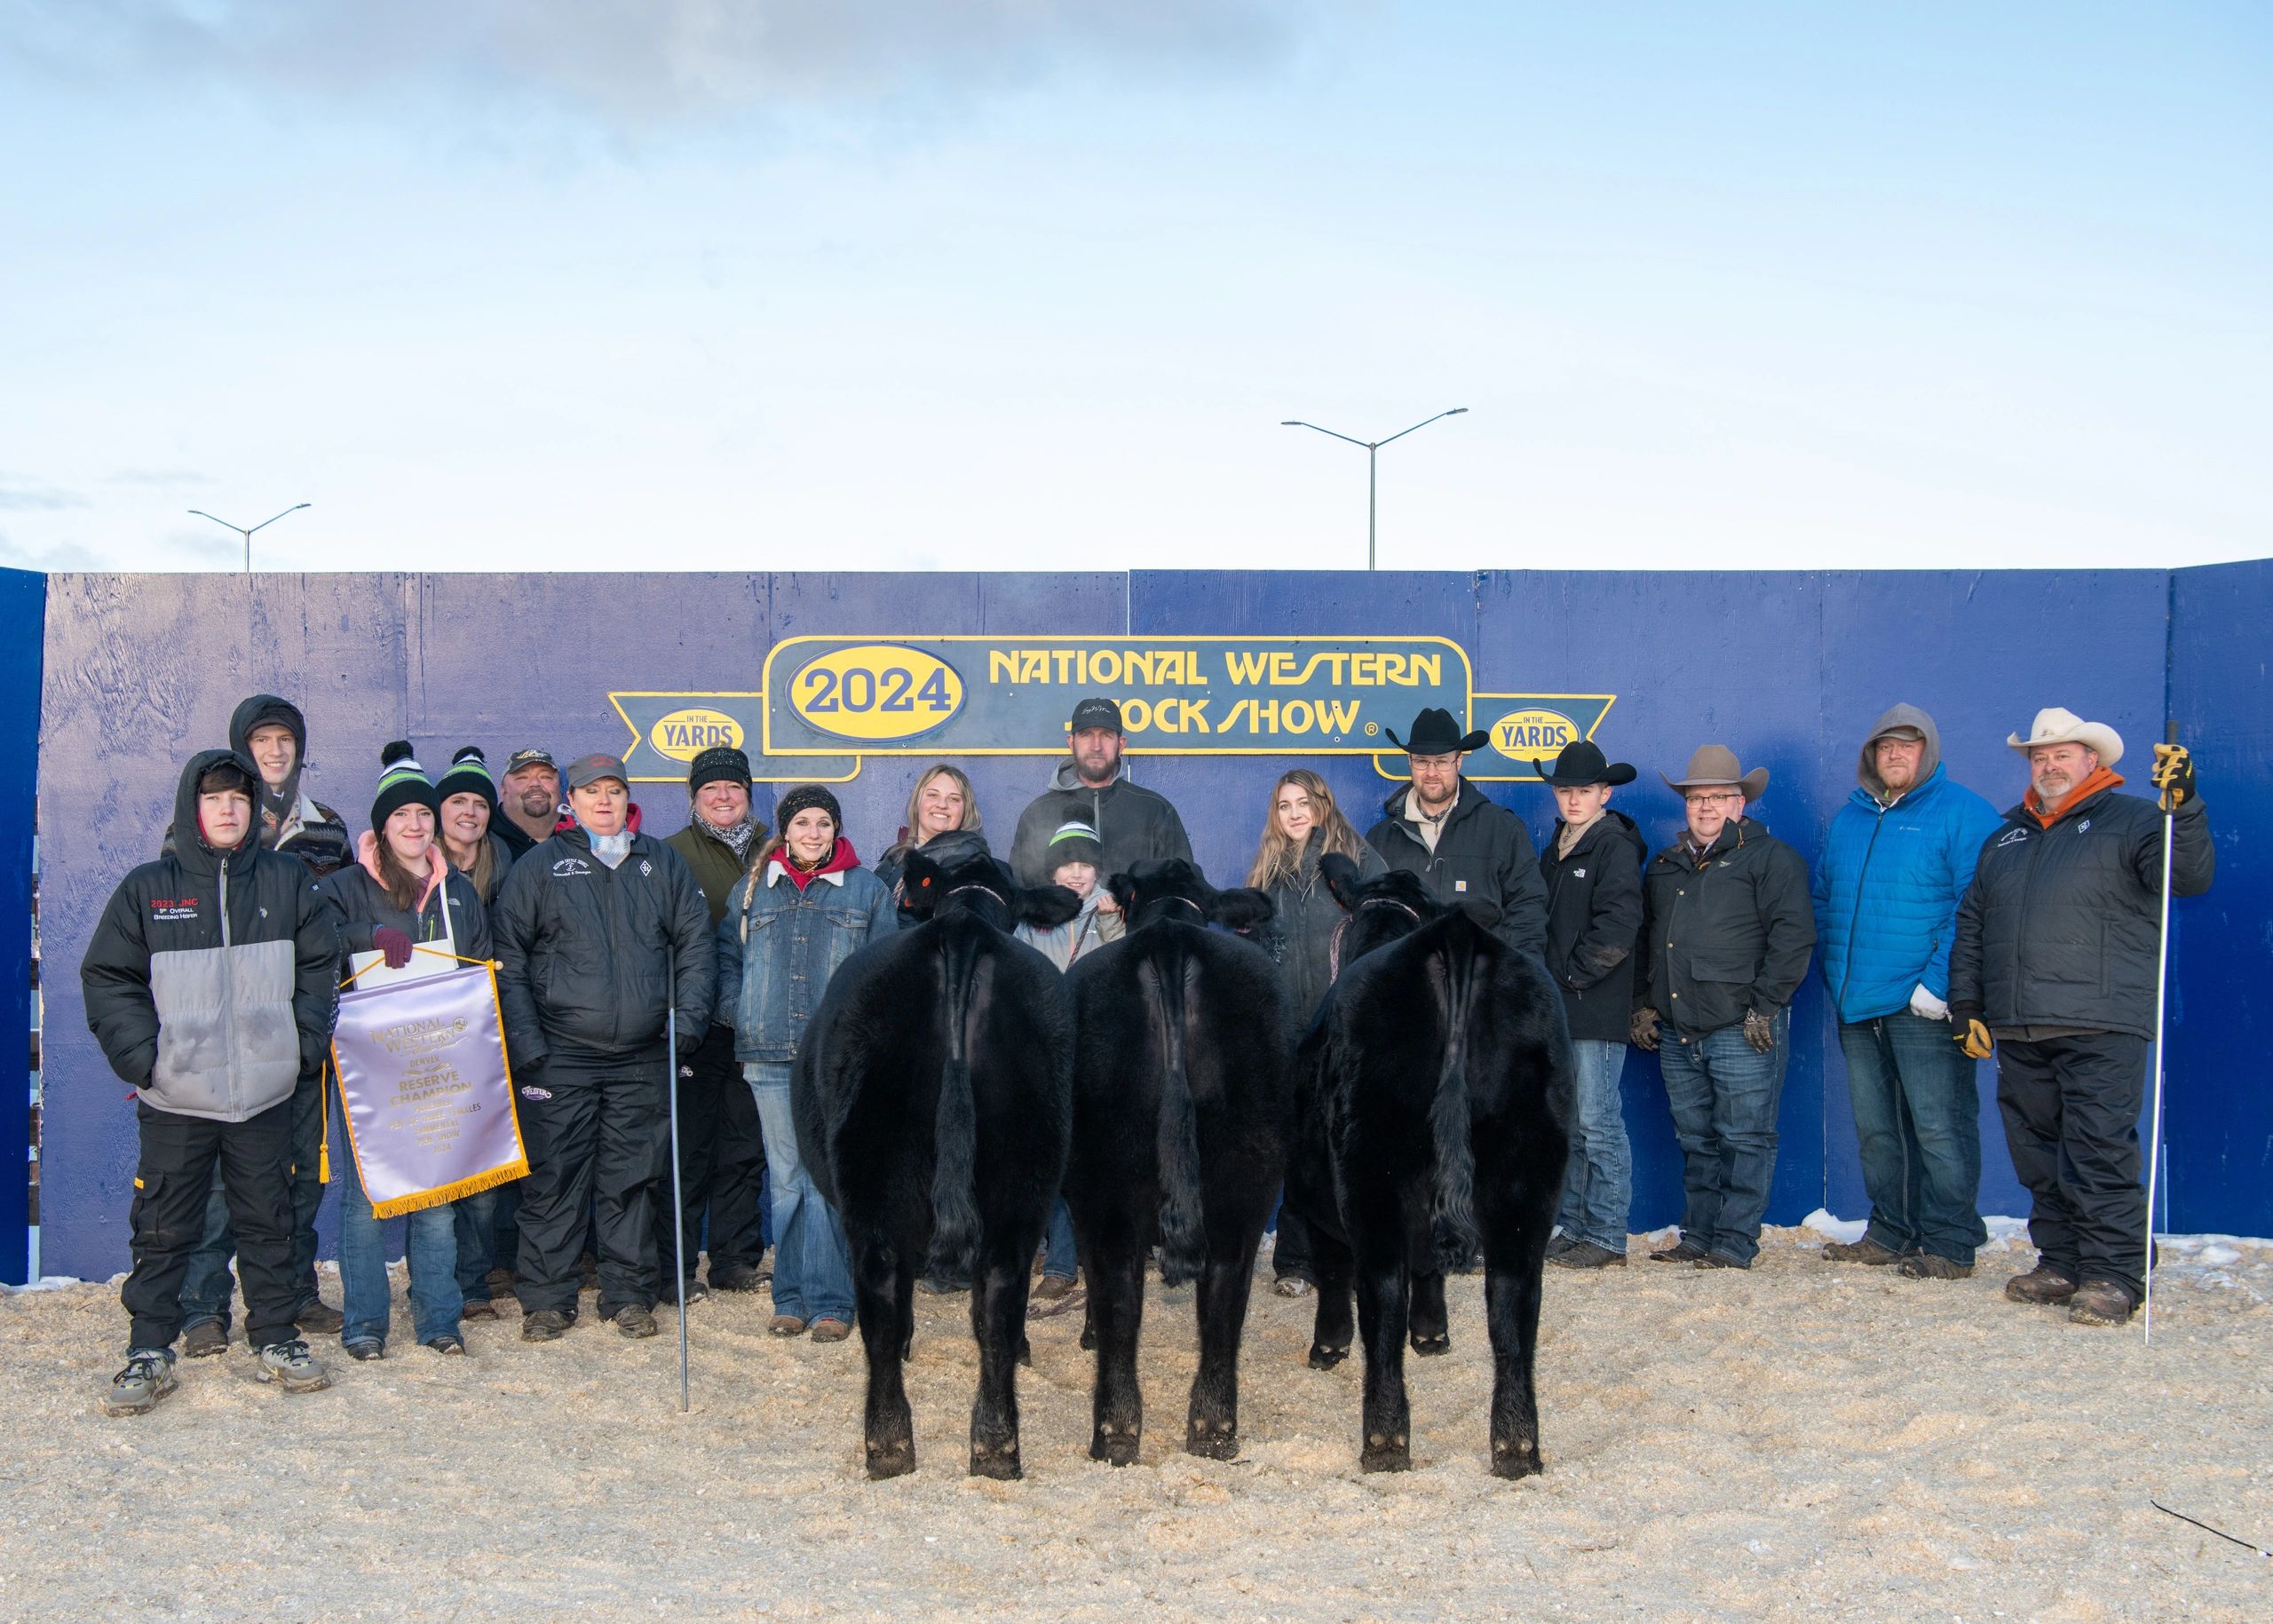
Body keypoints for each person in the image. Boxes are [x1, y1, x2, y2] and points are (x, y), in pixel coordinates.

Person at [81, 749, 339, 1413]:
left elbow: (320, 966)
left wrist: (301, 1048)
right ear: (191, 809)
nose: (228, 809)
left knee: (268, 1221)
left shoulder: (287, 880)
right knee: (164, 1225)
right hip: (176, 1096)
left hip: (265, 1093)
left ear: (255, 809)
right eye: (215, 798)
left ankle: (276, 1337)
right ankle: (148, 1349)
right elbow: (108, 976)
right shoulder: (149, 887)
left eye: (239, 798)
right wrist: (146, 1060)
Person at [1950, 709, 2214, 1326]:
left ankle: (2115, 1272)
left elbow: (2189, 876)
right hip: (2019, 1023)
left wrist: (2186, 805)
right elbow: (1974, 925)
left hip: (2102, 1020)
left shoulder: (2138, 820)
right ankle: (2062, 1259)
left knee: (2097, 1150)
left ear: (2093, 760)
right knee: (2038, 1154)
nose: (2048, 765)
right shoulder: (2006, 837)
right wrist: (1966, 1006)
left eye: (2061, 755)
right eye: (2039, 757)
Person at [493, 752, 715, 1343]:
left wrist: (687, 1023)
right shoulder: (541, 866)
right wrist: (528, 1044)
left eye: (615, 791)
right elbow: (509, 960)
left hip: (643, 1054)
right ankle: (546, 1298)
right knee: (555, 1178)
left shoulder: (660, 861)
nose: (605, 801)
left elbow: (695, 944)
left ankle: (628, 1295)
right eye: (593, 791)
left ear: (627, 798)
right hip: (560, 1054)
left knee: (632, 1179)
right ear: (572, 801)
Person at [176, 693, 348, 1354]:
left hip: (296, 1032)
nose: (275, 752)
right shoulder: (200, 825)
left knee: (301, 1171)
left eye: (285, 740)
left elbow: (336, 923)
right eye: (262, 740)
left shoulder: (327, 825)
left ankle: (292, 1291)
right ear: (241, 748)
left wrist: (312, 1031)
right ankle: (202, 1307)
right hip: (221, 1038)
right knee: (220, 1180)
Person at [1811, 706, 2003, 1281]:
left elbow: (1979, 905)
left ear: (1929, 752)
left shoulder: (1964, 813)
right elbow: (1825, 898)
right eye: (1884, 745)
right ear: (1870, 755)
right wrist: (1835, 970)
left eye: (1908, 745)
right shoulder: (1850, 817)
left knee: (1939, 1125)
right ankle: (1892, 1229)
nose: (1895, 754)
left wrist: (1939, 984)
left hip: (1922, 1003)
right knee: (1876, 1128)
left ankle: (1948, 1241)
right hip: (1858, 1002)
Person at [319, 744, 494, 1358]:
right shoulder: (343, 886)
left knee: (439, 1199)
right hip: (368, 1066)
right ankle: (365, 1323)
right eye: (402, 816)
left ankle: (439, 1320)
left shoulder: (460, 893)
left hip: (441, 1064)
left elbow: (479, 968)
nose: (416, 826)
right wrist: (367, 935)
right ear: (382, 824)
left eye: (424, 814)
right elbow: (315, 942)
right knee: (369, 1198)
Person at [714, 784, 896, 1342]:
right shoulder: (753, 889)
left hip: (835, 1060)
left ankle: (833, 1303)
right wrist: (738, 1009)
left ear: (836, 829)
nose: (813, 833)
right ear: (784, 830)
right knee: (787, 1179)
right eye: (802, 823)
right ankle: (789, 1297)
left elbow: (886, 969)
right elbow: (728, 956)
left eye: (823, 822)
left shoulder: (866, 890)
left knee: (827, 1180)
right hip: (766, 1054)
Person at [1631, 745, 1815, 1271]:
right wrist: (1644, 1006)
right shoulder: (1665, 866)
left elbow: (1794, 937)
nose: (1706, 807)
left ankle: (1734, 1241)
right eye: (1696, 797)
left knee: (1744, 1137)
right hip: (1677, 1027)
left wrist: (1766, 1006)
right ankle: (1698, 1235)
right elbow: (1648, 940)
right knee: (1696, 1139)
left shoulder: (1771, 859)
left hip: (1741, 1026)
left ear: (1740, 803)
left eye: (1718, 797)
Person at [1247, 769, 1386, 1295]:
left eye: (1303, 802)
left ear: (1323, 804)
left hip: (1345, 1026)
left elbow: (1388, 929)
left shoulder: (1358, 861)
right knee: (1297, 1146)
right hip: (1288, 1030)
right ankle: (1296, 1261)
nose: (1295, 813)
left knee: (1349, 1145)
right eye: (1284, 806)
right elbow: (1255, 951)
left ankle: (1353, 1256)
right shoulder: (1268, 871)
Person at [658, 746, 772, 1298]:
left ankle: (734, 1261)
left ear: (748, 794)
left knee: (743, 1148)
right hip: (697, 1024)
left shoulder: (780, 848)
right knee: (689, 1150)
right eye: (711, 789)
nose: (723, 797)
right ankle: (676, 1267)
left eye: (734, 788)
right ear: (694, 798)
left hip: (757, 1023)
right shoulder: (669, 854)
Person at [1533, 741, 1647, 1271]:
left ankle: (1607, 1235)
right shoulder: (1559, 845)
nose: (1573, 799)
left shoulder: (1613, 844)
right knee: (1573, 1122)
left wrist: (1573, 976)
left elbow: (1619, 925)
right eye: (1565, 790)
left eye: (1583, 791)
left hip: (1593, 1005)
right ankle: (1577, 1226)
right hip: (1563, 1005)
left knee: (1598, 1122)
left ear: (1604, 793)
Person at [432, 744, 527, 1319]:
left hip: (489, 1033)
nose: (470, 811)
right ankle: (440, 1284)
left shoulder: (505, 863)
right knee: (437, 1169)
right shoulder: (416, 863)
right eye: (458, 800)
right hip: (428, 1039)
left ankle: (474, 1281)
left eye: (480, 802)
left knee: (485, 1173)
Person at [1014, 820, 1124, 1302]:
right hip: (1045, 1052)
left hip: (1098, 1055)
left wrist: (1112, 923)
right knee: (1052, 1161)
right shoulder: (1034, 916)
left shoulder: (1112, 908)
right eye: (1067, 865)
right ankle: (1059, 1264)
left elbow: (1125, 978)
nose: (1077, 874)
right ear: (1052, 871)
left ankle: (1098, 1261)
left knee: (1097, 1165)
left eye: (1086, 865)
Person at [1366, 707, 1548, 960]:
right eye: (1421, 762)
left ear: (1458, 761)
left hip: (1482, 987)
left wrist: (1517, 978)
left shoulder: (1502, 828)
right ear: (1410, 762)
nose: (1431, 773)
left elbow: (1528, 908)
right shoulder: (1380, 839)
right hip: (1409, 986)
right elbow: (1371, 923)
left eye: (1441, 761)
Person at [1009, 697, 1193, 888]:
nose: (1096, 746)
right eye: (1086, 734)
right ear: (1071, 743)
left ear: (1121, 744)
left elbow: (1181, 891)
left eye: (1106, 735)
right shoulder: (1038, 813)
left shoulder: (1155, 810)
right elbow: (1019, 893)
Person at [874, 763, 984, 907]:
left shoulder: (971, 862)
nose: (942, 804)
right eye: (933, 795)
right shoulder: (895, 857)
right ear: (917, 803)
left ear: (965, 810)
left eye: (954, 799)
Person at [493, 748, 563, 861]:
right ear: (503, 791)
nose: (535, 783)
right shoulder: (484, 839)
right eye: (522, 778)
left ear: (560, 788)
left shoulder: (581, 836)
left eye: (546, 777)